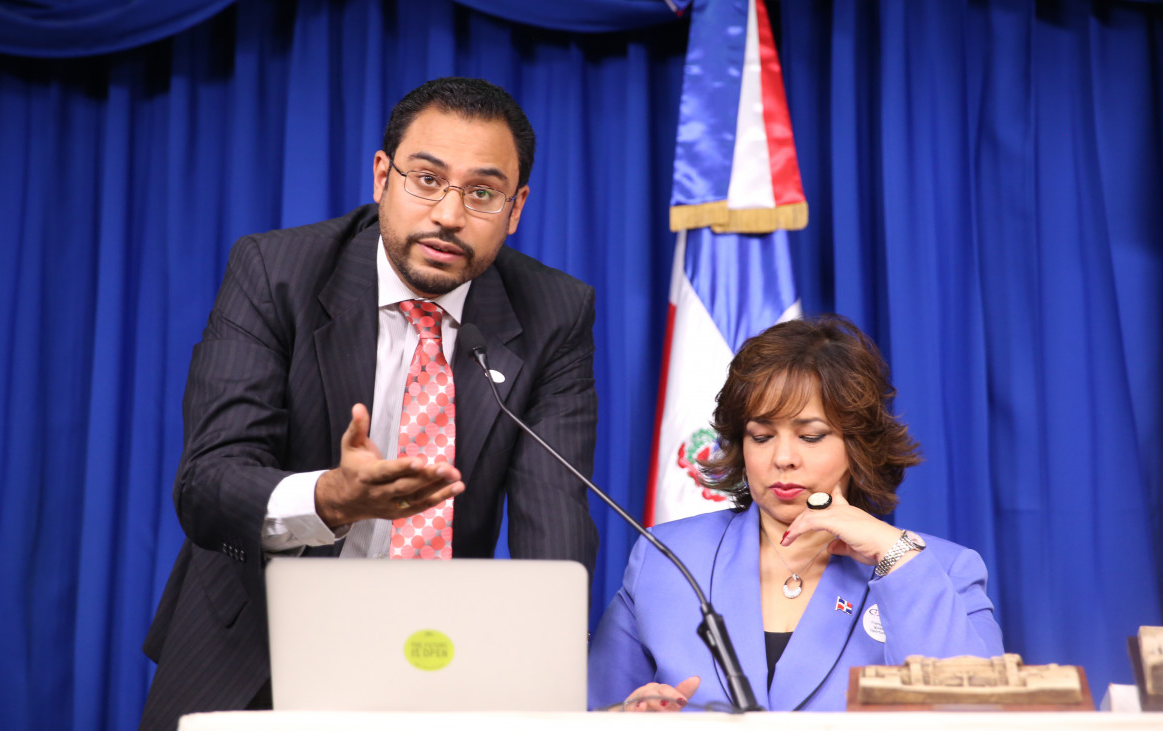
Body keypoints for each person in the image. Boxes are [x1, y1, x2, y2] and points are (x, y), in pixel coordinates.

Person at [140, 77, 599, 728]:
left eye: (482, 193)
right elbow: (208, 484)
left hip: (440, 661)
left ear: (515, 207)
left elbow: (553, 522)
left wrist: (548, 677)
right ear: (383, 176)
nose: (449, 215)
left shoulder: (554, 313)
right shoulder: (277, 273)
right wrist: (330, 498)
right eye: (427, 180)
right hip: (256, 650)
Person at [587, 315, 1003, 712]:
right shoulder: (666, 558)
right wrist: (628, 718)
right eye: (761, 436)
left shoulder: (944, 570)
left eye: (811, 436)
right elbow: (591, 713)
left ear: (857, 446)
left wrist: (895, 556)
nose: (783, 457)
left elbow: (981, 714)